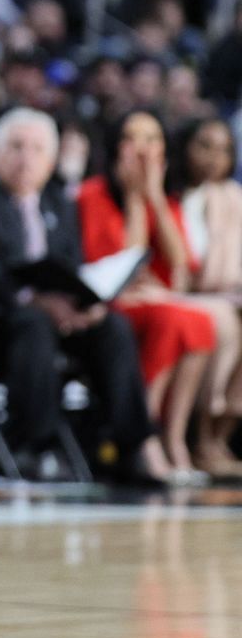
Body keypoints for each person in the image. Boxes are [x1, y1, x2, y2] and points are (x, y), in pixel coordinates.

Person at [0, 109, 166, 483]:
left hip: (56, 314)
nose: (25, 157)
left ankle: (131, 447)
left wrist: (87, 304)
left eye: (36, 149)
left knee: (112, 327)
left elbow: (71, 263)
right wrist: (29, 298)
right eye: (15, 147)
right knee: (34, 323)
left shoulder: (57, 199)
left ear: (50, 160)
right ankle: (37, 446)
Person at [75, 112, 217, 483]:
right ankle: (141, 437)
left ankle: (173, 438)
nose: (143, 149)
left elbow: (181, 262)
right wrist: (137, 198)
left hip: (149, 304)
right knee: (177, 319)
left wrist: (153, 195)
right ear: (115, 147)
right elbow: (124, 266)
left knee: (198, 320)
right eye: (132, 138)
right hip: (104, 306)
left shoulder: (165, 198)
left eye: (153, 139)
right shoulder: (94, 194)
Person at [170, 117, 242, 478]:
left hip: (224, 295)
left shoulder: (233, 198)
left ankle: (221, 433)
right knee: (223, 321)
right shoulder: (172, 194)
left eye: (225, 149)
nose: (216, 157)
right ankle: (201, 434)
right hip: (178, 295)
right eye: (206, 146)